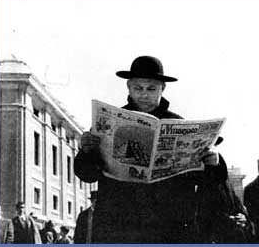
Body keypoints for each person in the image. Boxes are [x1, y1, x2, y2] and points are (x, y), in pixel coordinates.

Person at [74, 55, 228, 243]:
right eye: (138, 88)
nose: (144, 94)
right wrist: (86, 151)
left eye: (151, 88)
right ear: (129, 87)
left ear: (162, 89)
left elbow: (212, 181)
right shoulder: (108, 123)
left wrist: (214, 163)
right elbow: (87, 174)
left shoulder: (180, 124)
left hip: (168, 230)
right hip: (121, 227)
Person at [194, 157, 255, 243]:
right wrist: (228, 220)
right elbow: (204, 214)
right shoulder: (204, 186)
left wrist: (243, 217)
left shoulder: (226, 183)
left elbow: (238, 204)